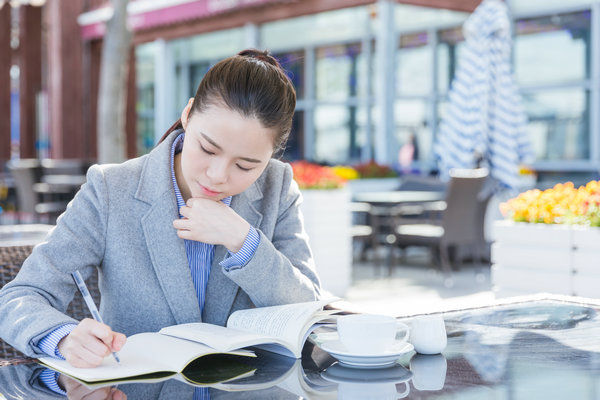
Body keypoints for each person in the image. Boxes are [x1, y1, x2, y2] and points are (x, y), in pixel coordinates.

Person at [0, 49, 322, 396]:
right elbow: (20, 296)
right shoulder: (111, 190)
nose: (217, 175)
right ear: (188, 114)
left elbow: (307, 308)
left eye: (245, 166)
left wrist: (243, 240)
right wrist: (62, 337)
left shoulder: (277, 187)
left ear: (270, 157)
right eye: (208, 149)